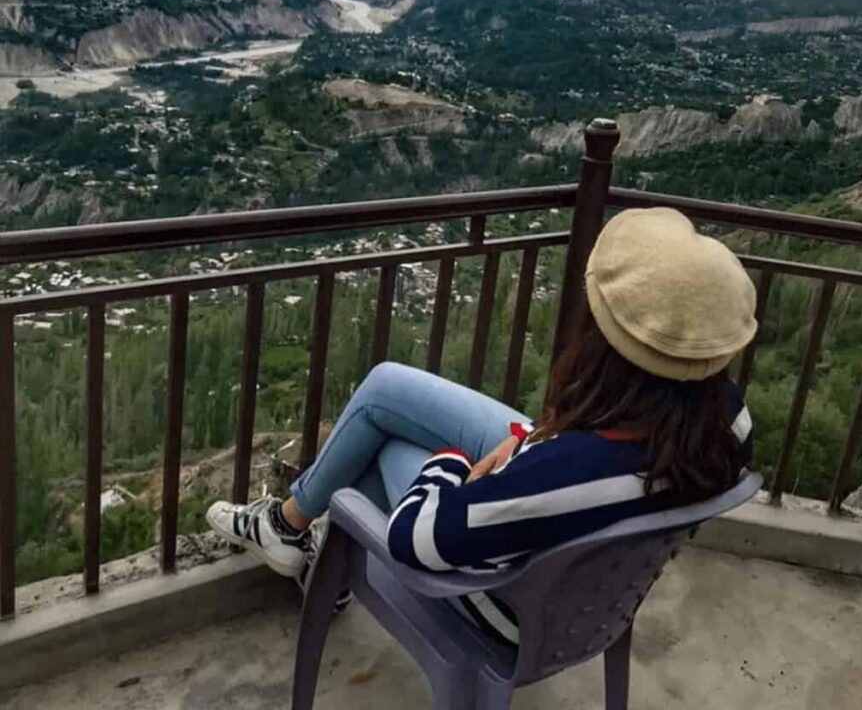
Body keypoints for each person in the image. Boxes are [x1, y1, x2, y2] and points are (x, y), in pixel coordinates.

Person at [207, 207, 757, 644]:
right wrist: (527, 445)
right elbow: (587, 466)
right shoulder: (726, 419)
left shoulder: (566, 476)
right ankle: (302, 535)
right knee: (386, 386)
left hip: (511, 603)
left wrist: (457, 463)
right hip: (578, 542)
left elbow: (413, 539)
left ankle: (308, 544)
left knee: (383, 443)